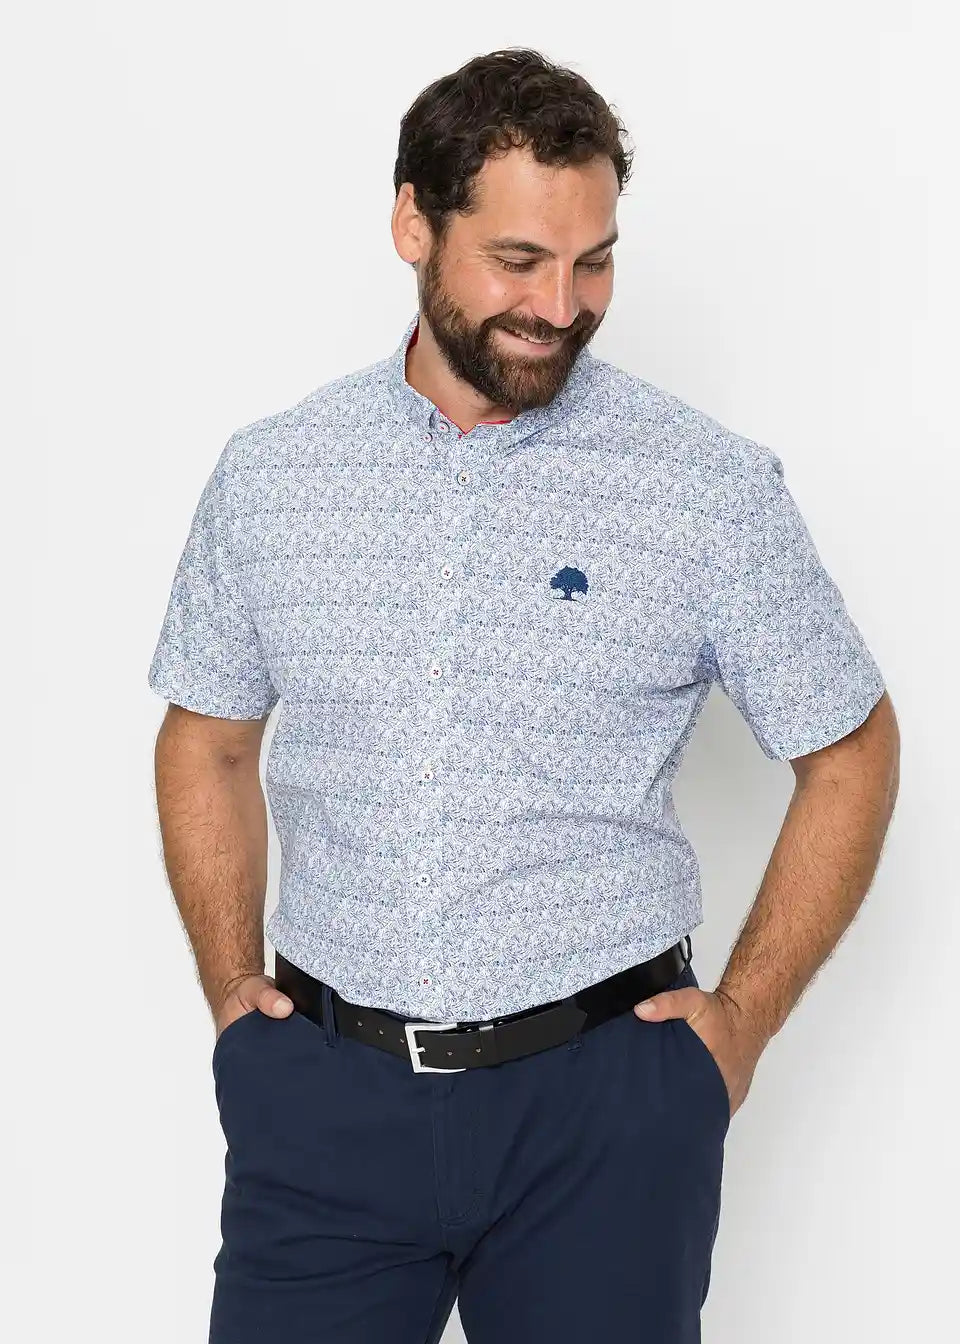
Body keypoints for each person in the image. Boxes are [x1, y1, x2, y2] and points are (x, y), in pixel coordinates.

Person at [148, 46, 899, 1344]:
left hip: (605, 1109)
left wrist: (736, 1027)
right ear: (413, 224)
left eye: (593, 261)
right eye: (518, 260)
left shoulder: (703, 486)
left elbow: (851, 749)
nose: (560, 305)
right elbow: (205, 740)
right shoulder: (275, 477)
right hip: (325, 1098)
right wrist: (233, 1000)